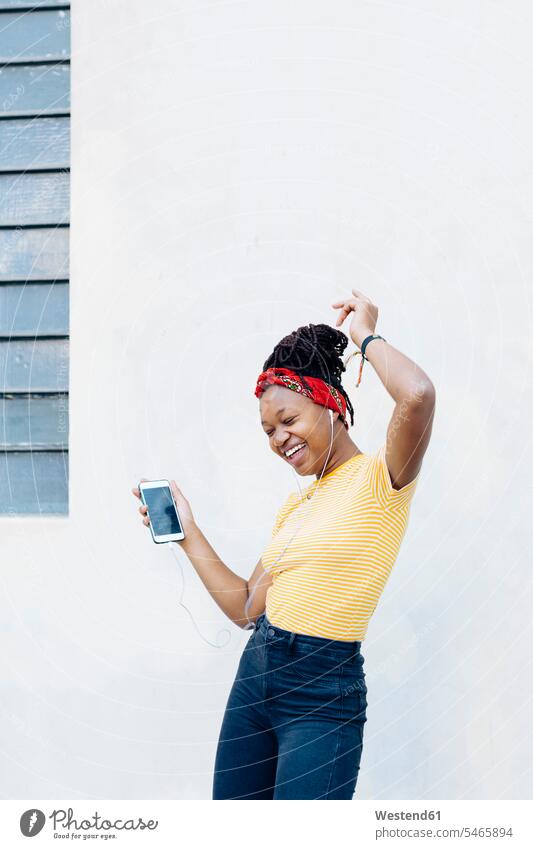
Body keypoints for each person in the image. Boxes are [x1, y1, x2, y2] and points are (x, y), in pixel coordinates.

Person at [132, 288, 436, 799]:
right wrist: (187, 532)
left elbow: (418, 396)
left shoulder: (383, 478)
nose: (278, 439)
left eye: (289, 421)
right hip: (257, 676)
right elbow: (248, 606)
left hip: (321, 691)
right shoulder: (296, 507)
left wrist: (362, 335)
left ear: (333, 405)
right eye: (269, 429)